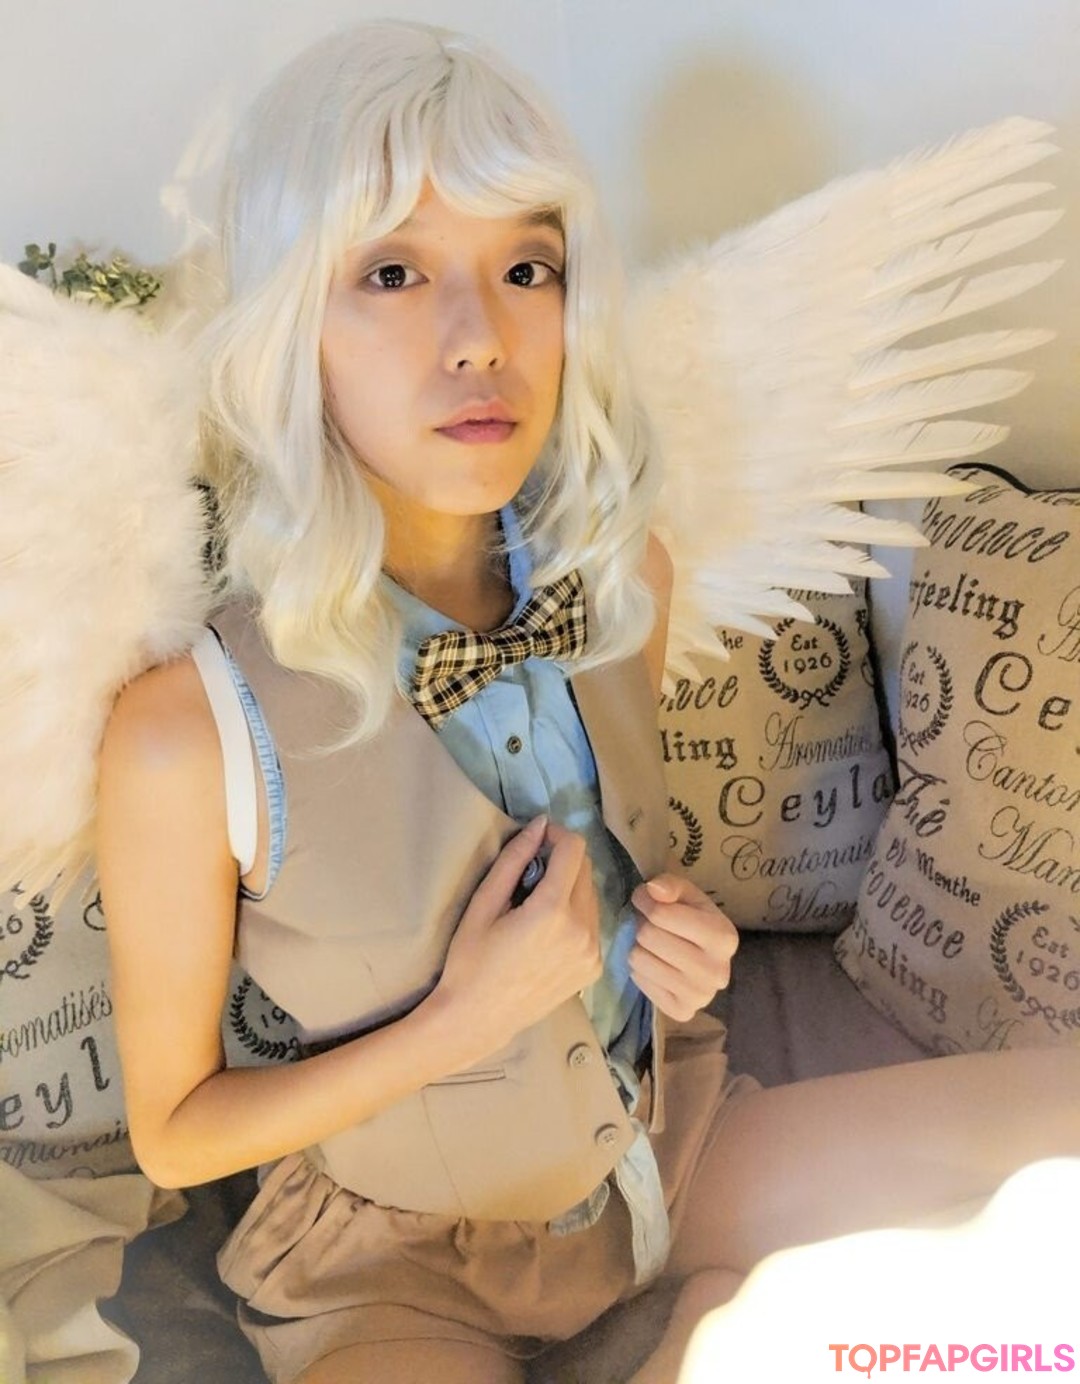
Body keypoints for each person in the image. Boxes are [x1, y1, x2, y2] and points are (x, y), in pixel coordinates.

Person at [96, 21, 1080, 1384]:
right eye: (393, 273)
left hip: (668, 1159)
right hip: (391, 1264)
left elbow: (627, 887)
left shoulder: (624, 582)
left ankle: (702, 1320)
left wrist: (678, 948)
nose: (479, 339)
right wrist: (457, 1024)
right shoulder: (185, 729)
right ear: (290, 324)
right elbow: (175, 1135)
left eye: (526, 269)